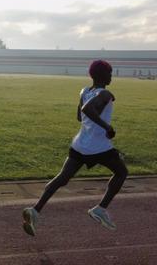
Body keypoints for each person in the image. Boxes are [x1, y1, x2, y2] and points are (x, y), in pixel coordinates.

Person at [22, 60, 128, 236]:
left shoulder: (84, 91)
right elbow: (86, 110)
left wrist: (94, 116)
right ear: (103, 75)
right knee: (121, 172)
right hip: (99, 147)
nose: (111, 76)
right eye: (110, 73)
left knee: (62, 178)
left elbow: (80, 116)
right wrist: (107, 127)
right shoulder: (106, 94)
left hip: (80, 144)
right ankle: (100, 209)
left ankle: (35, 210)